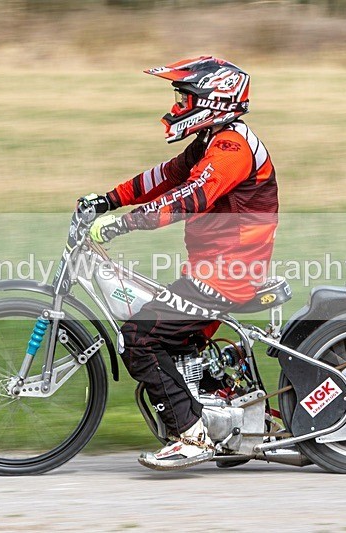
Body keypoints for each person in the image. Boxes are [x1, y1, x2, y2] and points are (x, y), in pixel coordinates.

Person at [79, 56, 279, 470]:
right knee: (166, 334)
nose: (177, 107)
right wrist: (108, 200)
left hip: (227, 275)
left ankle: (191, 434)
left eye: (185, 98)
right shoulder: (211, 141)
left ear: (214, 100)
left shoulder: (232, 148)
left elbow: (190, 197)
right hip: (214, 270)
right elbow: (165, 176)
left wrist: (124, 224)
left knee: (137, 338)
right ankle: (221, 415)